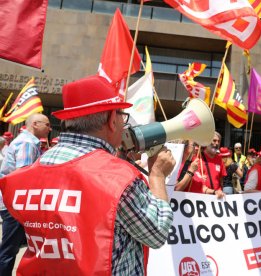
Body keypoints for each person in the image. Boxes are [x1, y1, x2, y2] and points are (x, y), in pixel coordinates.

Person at [0, 75, 175, 275]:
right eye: (122, 116)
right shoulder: (119, 177)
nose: (123, 123)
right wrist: (158, 176)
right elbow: (156, 233)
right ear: (111, 120)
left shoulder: (25, 175)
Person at [0, 113, 51, 275]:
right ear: (35, 124)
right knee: (9, 250)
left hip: (13, 203)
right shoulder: (27, 143)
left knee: (11, 248)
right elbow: (25, 178)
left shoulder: (27, 142)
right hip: (15, 205)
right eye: (47, 124)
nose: (50, 128)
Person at [190, 131, 226, 198]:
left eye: (218, 141)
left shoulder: (219, 159)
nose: (217, 143)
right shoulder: (198, 157)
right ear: (207, 141)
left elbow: (221, 180)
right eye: (214, 140)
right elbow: (193, 178)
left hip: (217, 197)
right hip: (202, 197)